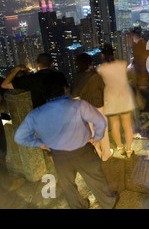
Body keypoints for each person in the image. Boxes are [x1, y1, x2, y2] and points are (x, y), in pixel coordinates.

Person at [14, 72, 119, 209]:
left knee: (68, 185)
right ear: (64, 88)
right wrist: (96, 138)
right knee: (96, 179)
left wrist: (41, 144)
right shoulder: (79, 105)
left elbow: (20, 137)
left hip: (59, 155)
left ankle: (79, 206)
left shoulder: (36, 114)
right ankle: (108, 202)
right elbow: (100, 121)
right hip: (84, 151)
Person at [71, 53, 113, 161]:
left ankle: (97, 153)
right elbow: (104, 89)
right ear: (89, 65)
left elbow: (73, 92)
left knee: (91, 131)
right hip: (98, 106)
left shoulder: (76, 77)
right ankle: (106, 153)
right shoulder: (96, 76)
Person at [97, 44, 136, 158]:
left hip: (111, 99)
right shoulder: (123, 64)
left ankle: (120, 147)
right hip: (124, 97)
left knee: (114, 125)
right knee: (127, 124)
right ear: (114, 54)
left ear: (102, 55)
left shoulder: (100, 69)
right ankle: (129, 150)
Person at [129, 27, 149, 161]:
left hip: (143, 87)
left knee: (145, 121)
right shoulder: (147, 45)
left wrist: (133, 68)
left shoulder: (138, 48)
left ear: (133, 35)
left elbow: (139, 66)